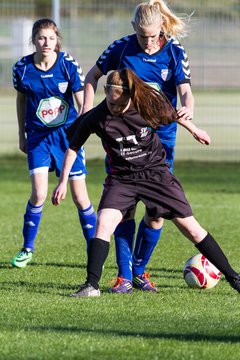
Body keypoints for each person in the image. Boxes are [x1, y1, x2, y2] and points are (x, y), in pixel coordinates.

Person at [52, 68, 240, 297]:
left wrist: (195, 129)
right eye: (111, 104)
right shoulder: (97, 116)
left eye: (120, 106)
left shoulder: (147, 104)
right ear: (106, 93)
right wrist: (63, 181)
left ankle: (234, 278)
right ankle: (91, 285)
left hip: (155, 175)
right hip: (122, 178)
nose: (115, 109)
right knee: (103, 222)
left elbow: (173, 115)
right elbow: (72, 147)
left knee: (191, 228)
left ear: (130, 96)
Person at [82, 0, 197, 292]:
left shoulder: (173, 51)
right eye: (142, 35)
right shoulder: (121, 48)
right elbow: (92, 77)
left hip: (161, 142)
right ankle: (123, 277)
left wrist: (188, 109)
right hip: (123, 141)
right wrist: (86, 111)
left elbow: (186, 91)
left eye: (153, 35)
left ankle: (140, 272)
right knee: (125, 208)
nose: (148, 42)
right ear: (134, 28)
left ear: (162, 27)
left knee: (157, 213)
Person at [11, 18, 96, 268]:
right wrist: (21, 134)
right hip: (37, 137)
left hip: (67, 138)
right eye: (41, 38)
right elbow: (21, 101)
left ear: (56, 39)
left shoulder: (68, 65)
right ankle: (27, 249)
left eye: (50, 38)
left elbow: (83, 105)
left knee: (80, 197)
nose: (46, 43)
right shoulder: (22, 69)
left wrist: (81, 135)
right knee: (38, 194)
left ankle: (94, 251)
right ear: (33, 40)